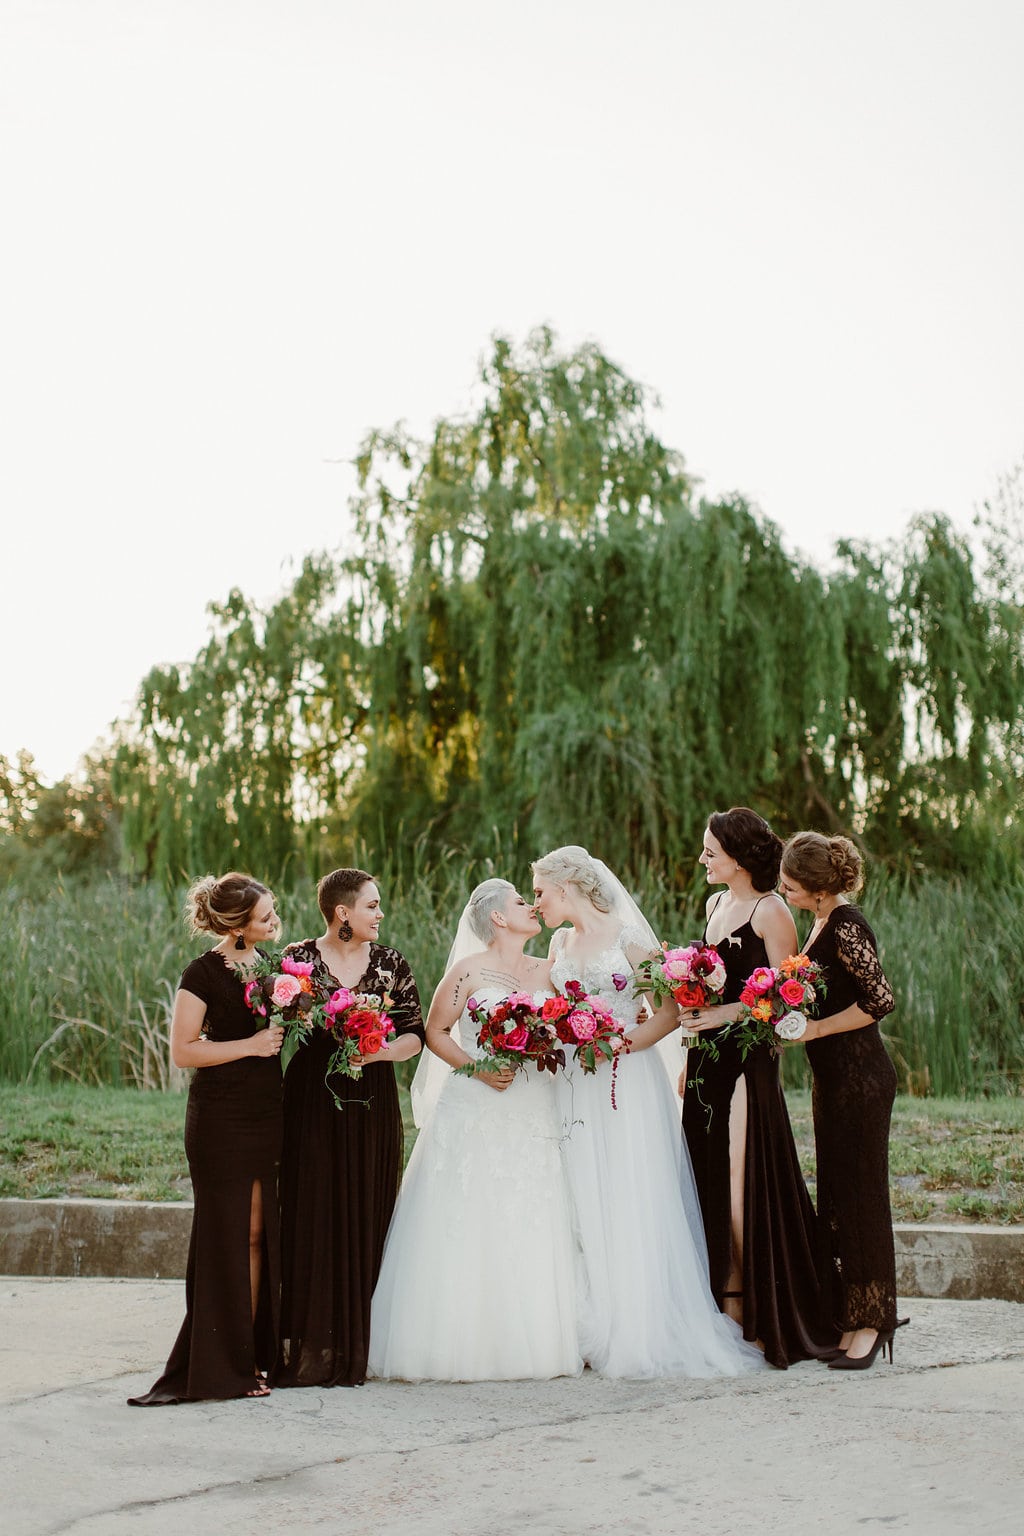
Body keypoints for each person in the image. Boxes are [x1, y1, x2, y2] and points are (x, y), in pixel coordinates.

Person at [532, 845, 762, 1379]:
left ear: (565, 888)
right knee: (583, 1188)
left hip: (624, 1076)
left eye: (541, 891)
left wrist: (625, 1043)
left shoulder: (629, 940)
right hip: (572, 1079)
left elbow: (670, 1012)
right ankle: (593, 1318)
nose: (538, 902)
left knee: (628, 1188)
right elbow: (545, 999)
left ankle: (637, 1321)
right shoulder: (559, 941)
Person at [368, 879, 581, 1382]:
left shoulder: (550, 972)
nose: (531, 907)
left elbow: (570, 1023)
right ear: (498, 919)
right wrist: (476, 1068)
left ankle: (534, 1338)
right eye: (519, 902)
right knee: (466, 1204)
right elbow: (434, 1032)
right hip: (475, 1099)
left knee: (533, 1203)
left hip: (532, 1101)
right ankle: (453, 1340)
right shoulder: (466, 972)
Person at [681, 808, 838, 1367]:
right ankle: (729, 1305)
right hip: (705, 1060)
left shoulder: (773, 913)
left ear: (740, 857)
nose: (702, 859)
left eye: (710, 852)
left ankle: (770, 1309)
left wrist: (724, 1013)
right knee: (704, 1179)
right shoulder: (714, 905)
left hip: (749, 1062)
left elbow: (787, 1001)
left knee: (741, 1186)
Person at [128, 872, 285, 1406]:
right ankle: (224, 1365)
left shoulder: (271, 966)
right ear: (238, 925)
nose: (274, 921)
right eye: (265, 916)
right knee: (229, 1236)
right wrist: (253, 1043)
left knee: (260, 1233)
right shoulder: (201, 974)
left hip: (268, 1113)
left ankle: (254, 1356)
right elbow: (184, 1051)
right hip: (220, 1119)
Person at [275, 867, 424, 1388]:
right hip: (313, 1097)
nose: (380, 914)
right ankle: (314, 1341)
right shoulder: (296, 962)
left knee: (367, 1201)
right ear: (343, 913)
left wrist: (376, 1050)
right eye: (372, 906)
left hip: (371, 1097)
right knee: (314, 1204)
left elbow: (414, 1036)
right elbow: (278, 1022)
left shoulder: (390, 964)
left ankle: (362, 1338)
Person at [778, 832, 901, 1370]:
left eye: (789, 885)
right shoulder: (821, 921)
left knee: (861, 1197)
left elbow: (880, 1000)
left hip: (861, 1080)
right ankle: (851, 1314)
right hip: (834, 1081)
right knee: (838, 1194)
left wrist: (816, 1028)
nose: (783, 891)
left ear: (818, 888)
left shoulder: (848, 924)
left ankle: (874, 1323)